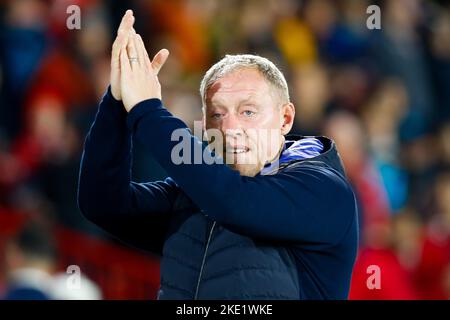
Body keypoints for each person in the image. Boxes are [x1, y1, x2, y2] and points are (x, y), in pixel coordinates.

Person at [78, 10, 358, 300]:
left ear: (285, 119)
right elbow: (102, 203)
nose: (230, 128)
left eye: (247, 111)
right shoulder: (194, 195)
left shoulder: (324, 190)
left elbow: (234, 201)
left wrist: (147, 110)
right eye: (217, 114)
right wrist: (117, 101)